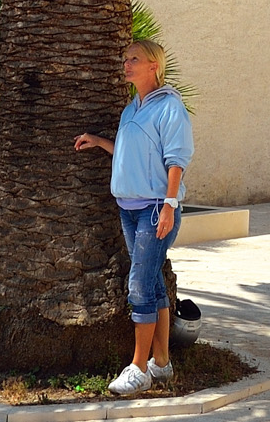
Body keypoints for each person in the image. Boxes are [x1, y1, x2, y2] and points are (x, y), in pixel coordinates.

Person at [74, 37, 194, 397]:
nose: (126, 64)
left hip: (156, 208)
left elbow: (177, 160)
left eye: (134, 59)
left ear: (153, 65)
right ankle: (162, 363)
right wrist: (100, 142)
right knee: (153, 283)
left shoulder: (169, 106)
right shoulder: (132, 109)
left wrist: (170, 205)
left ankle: (138, 368)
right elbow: (130, 151)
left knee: (139, 285)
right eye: (125, 59)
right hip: (129, 209)